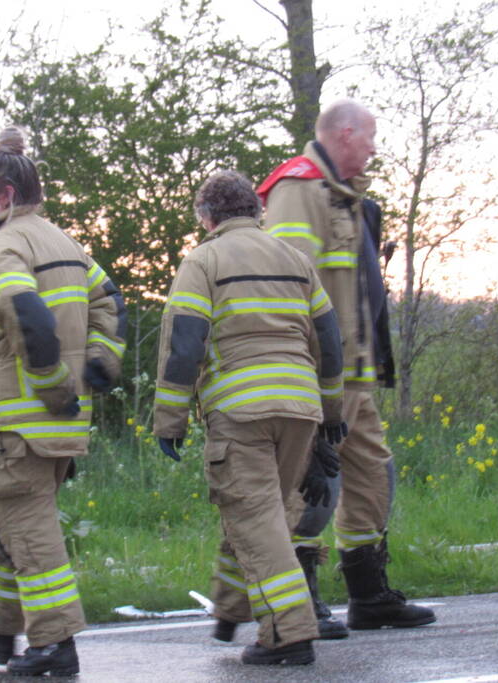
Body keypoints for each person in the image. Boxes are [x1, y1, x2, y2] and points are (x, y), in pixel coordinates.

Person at [0, 126, 126, 677]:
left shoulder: (3, 246)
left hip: (21, 416)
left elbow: (24, 312)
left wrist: (52, 383)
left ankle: (54, 643)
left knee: (27, 526)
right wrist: (98, 362)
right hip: (59, 422)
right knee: (16, 523)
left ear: (4, 194)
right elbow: (109, 300)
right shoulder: (62, 242)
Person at [153, 170, 345, 666]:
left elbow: (185, 346)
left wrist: (169, 420)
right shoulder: (296, 260)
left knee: (255, 517)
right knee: (264, 514)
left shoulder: (203, 261)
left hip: (241, 410)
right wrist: (331, 413)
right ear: (257, 212)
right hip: (300, 408)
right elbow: (329, 341)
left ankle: (290, 633)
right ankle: (231, 607)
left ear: (206, 217)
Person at [258, 99, 436, 631]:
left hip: (354, 378)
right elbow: (288, 289)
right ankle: (297, 601)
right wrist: (303, 373)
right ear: (345, 132)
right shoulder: (299, 189)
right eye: (371, 137)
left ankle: (369, 594)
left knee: (373, 477)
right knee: (310, 487)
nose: (375, 149)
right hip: (316, 377)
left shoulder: (346, 198)